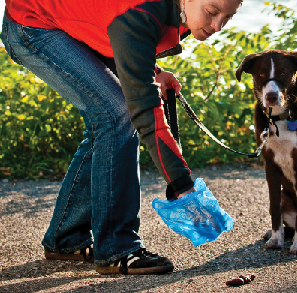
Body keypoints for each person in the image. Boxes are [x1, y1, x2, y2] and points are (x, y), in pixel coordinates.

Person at [1, 0, 243, 275]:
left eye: (229, 16)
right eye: (212, 12)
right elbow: (145, 112)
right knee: (117, 114)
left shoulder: (179, 10)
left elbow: (116, 32)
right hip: (31, 23)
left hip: (66, 22)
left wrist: (152, 73)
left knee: (110, 119)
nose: (217, 26)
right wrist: (182, 185)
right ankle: (118, 247)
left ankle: (66, 239)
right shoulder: (142, 10)